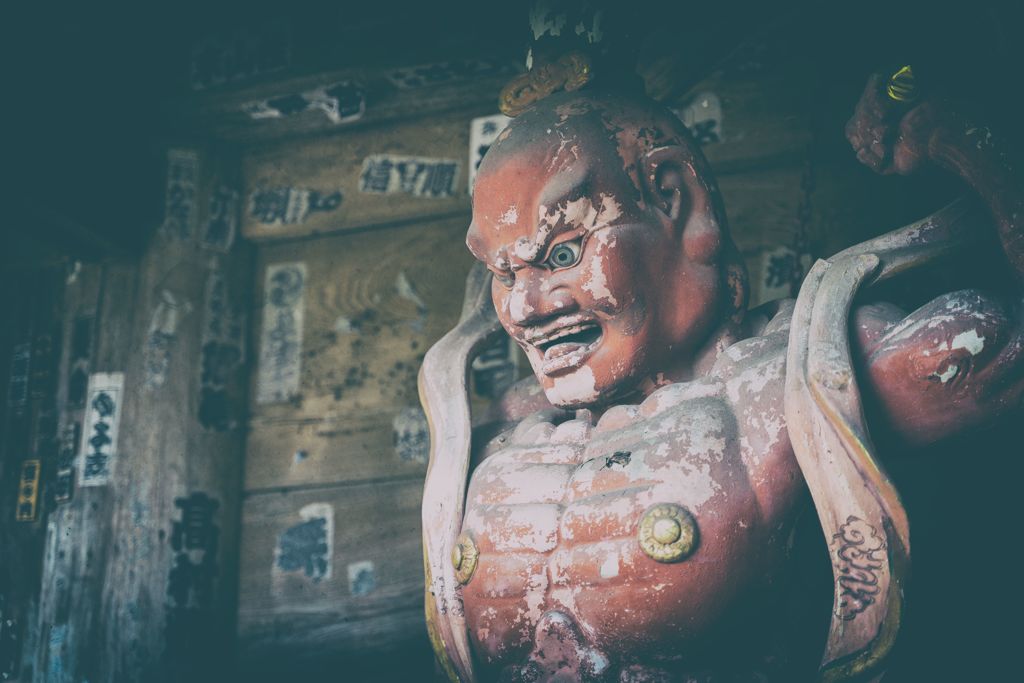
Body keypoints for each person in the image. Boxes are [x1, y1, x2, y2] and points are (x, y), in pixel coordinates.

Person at [420, 69, 1023, 682]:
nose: (524, 309)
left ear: (671, 197)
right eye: (504, 274)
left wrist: (962, 141)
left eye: (563, 255)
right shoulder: (499, 425)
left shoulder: (795, 379)